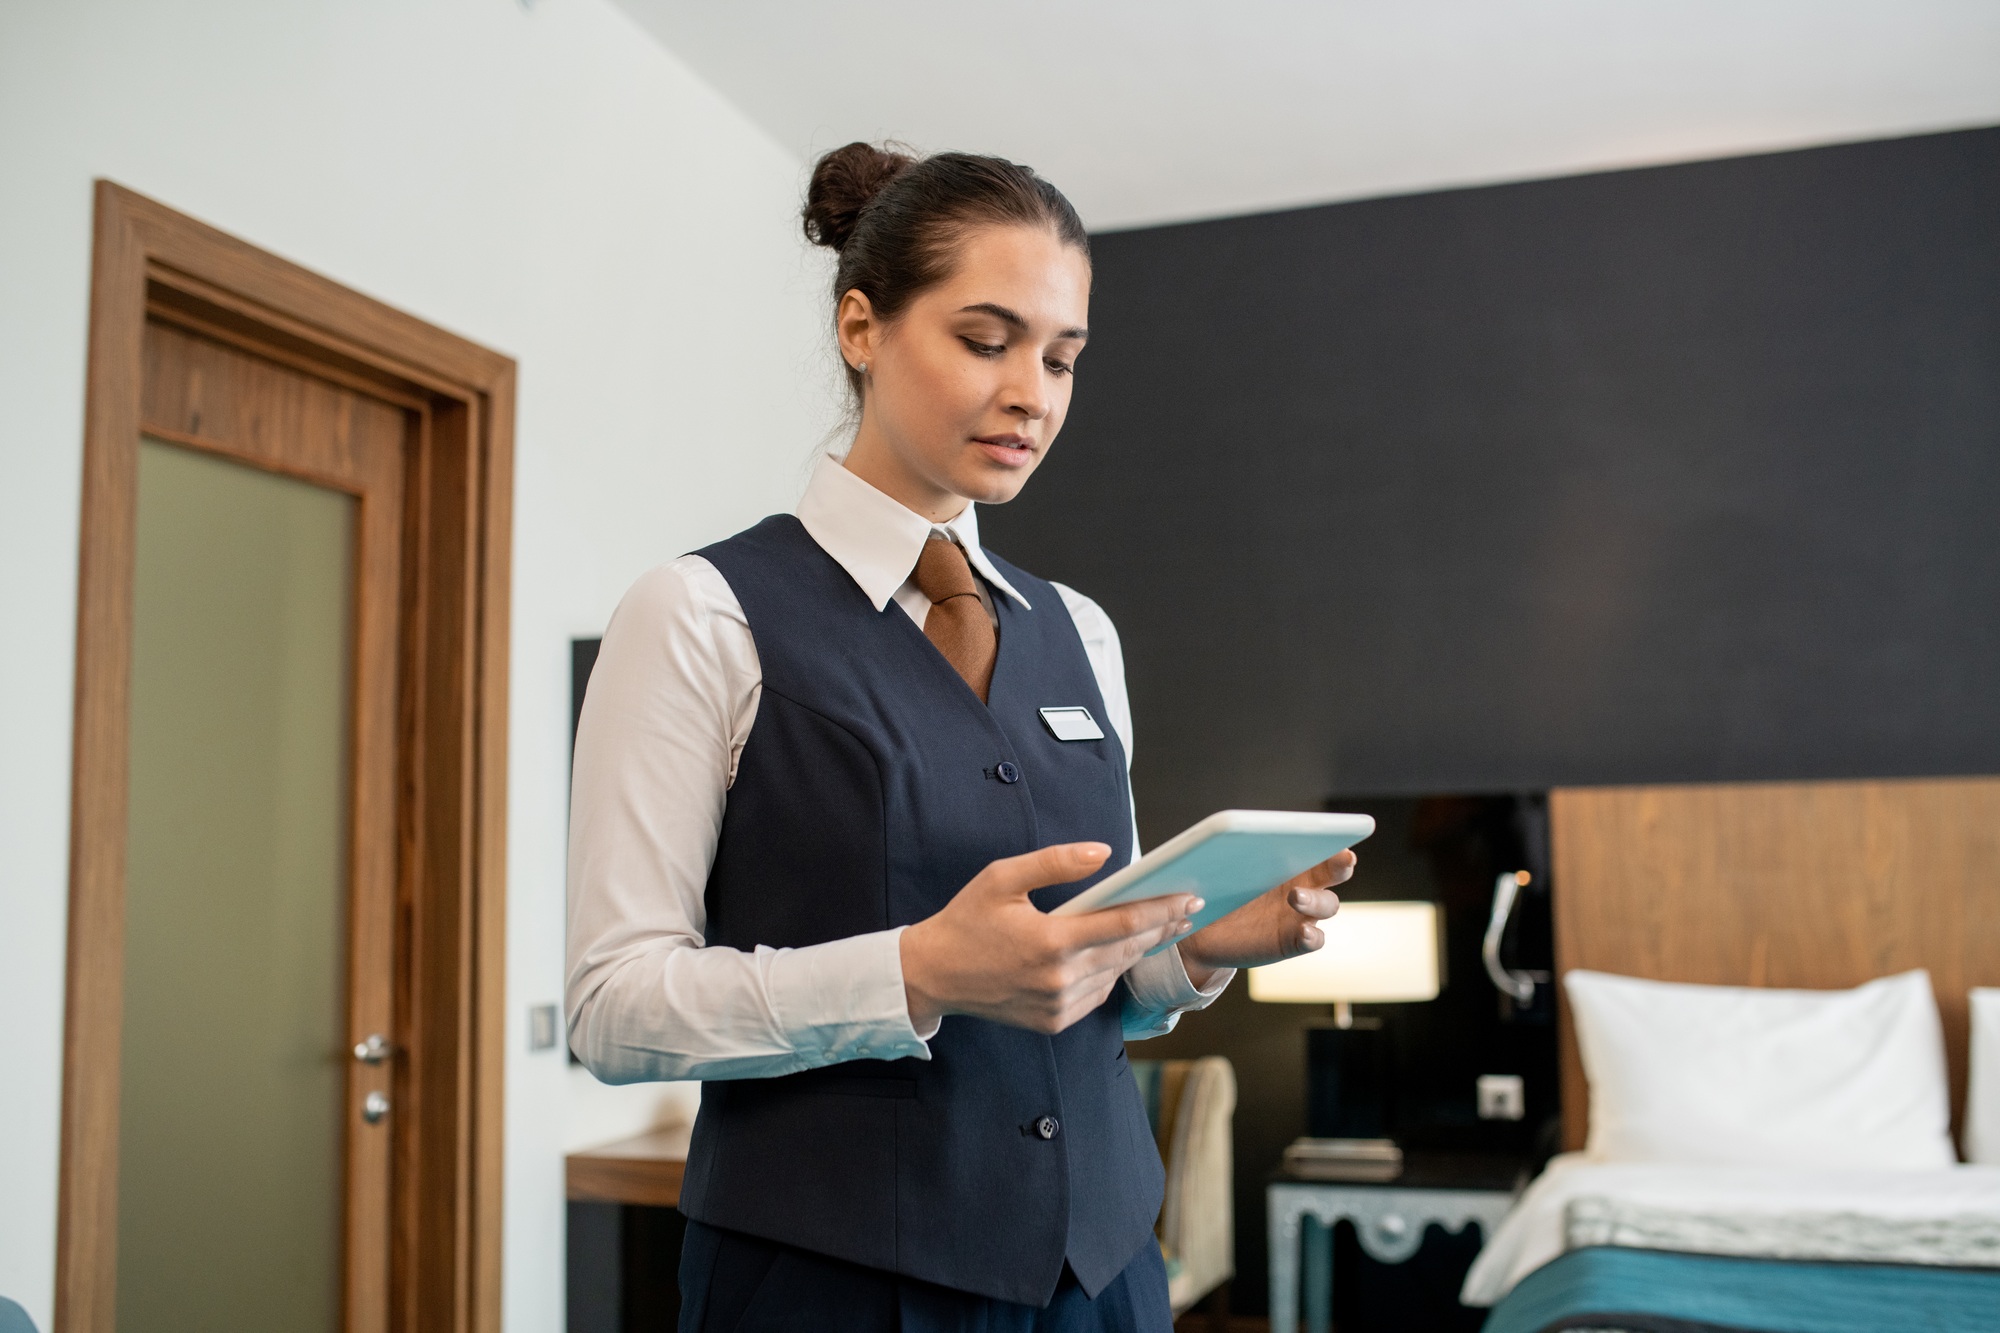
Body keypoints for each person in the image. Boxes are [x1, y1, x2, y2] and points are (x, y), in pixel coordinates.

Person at [566, 143, 1356, 1333]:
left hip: (1101, 1280)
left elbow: (1078, 977)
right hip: (828, 1286)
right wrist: (918, 971)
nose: (1031, 392)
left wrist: (1192, 952)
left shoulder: (1079, 632)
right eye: (985, 341)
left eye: (1061, 357)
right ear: (860, 327)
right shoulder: (700, 612)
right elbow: (612, 1009)